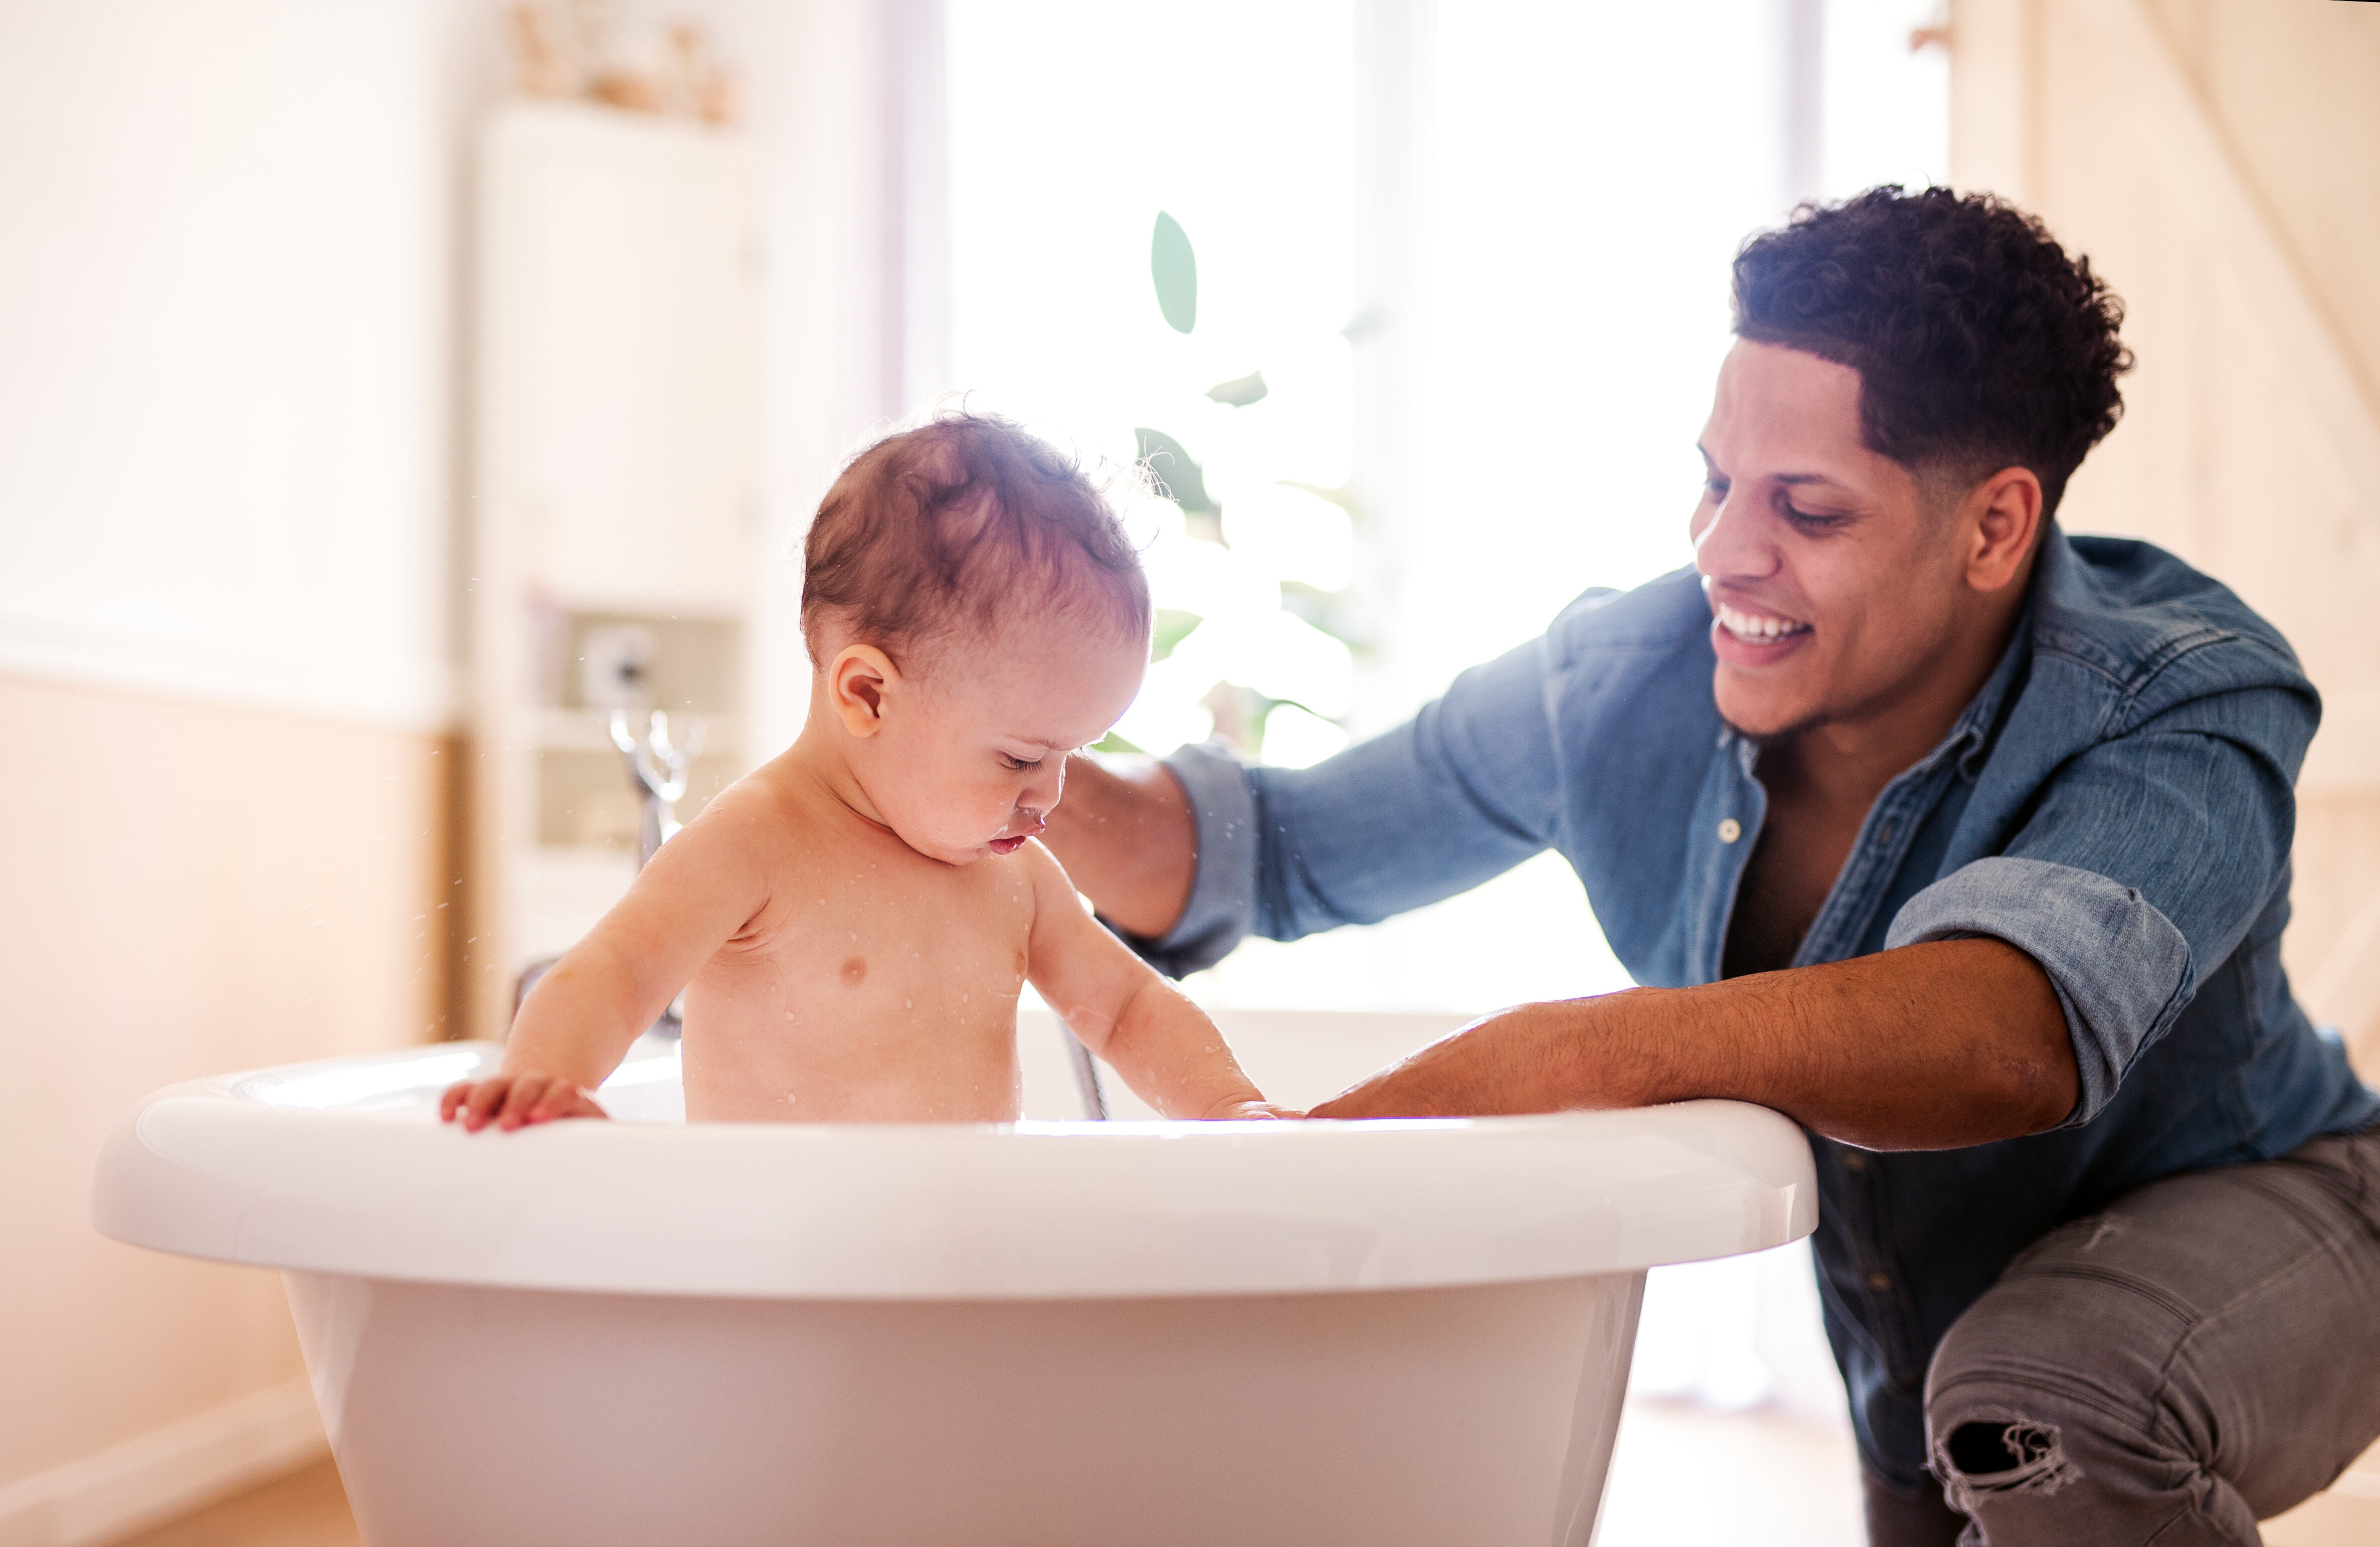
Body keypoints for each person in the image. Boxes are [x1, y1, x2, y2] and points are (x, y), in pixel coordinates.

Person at [1044, 188, 2380, 1546]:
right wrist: (984, 753)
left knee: (2038, 1393)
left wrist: (1558, 1055)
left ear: (1992, 528)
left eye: (1806, 506)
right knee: (1989, 1401)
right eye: (1715, 478)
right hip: (1923, 1374)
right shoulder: (1619, 677)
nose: (1722, 550)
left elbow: (2004, 1036)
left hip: (2288, 1223)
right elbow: (1259, 848)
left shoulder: (2180, 694)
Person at [443, 414, 1284, 1129]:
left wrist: (1232, 1108)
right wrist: (547, 1075)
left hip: (955, 1275)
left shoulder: (1021, 880)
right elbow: (617, 971)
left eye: (1074, 754)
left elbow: (1132, 1009)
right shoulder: (755, 842)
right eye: (1024, 757)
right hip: (780, 1272)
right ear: (870, 694)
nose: (1052, 793)